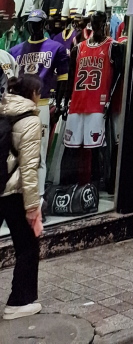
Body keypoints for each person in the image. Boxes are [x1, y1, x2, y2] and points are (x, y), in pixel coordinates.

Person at [0, 74, 43, 320]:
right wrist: (32, 207)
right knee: (27, 246)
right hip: (13, 193)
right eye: (39, 92)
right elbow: (28, 169)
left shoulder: (2, 108)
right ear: (32, 94)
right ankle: (19, 301)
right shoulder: (30, 120)